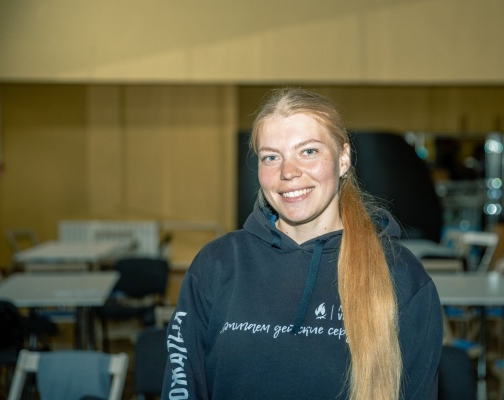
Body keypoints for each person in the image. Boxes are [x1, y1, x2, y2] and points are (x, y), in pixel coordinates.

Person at [161, 88, 442, 400]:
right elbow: (181, 387)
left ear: (343, 158)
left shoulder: (402, 276)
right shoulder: (217, 265)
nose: (288, 172)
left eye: (308, 151)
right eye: (271, 157)